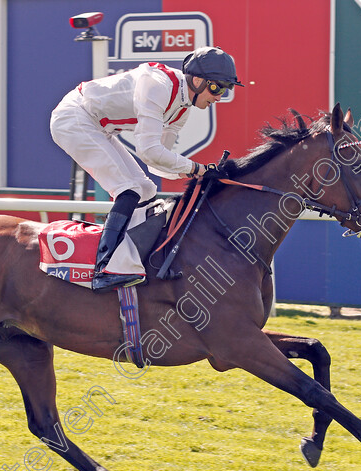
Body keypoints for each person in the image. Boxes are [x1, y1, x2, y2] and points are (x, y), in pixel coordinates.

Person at [50, 46, 243, 293]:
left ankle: (130, 261)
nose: (219, 96)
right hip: (74, 118)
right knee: (129, 189)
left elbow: (156, 164)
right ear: (196, 80)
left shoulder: (182, 110)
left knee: (144, 190)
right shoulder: (158, 85)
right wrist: (197, 168)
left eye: (226, 89)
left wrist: (196, 172)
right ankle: (104, 267)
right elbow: (149, 151)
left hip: (97, 126)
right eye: (216, 87)